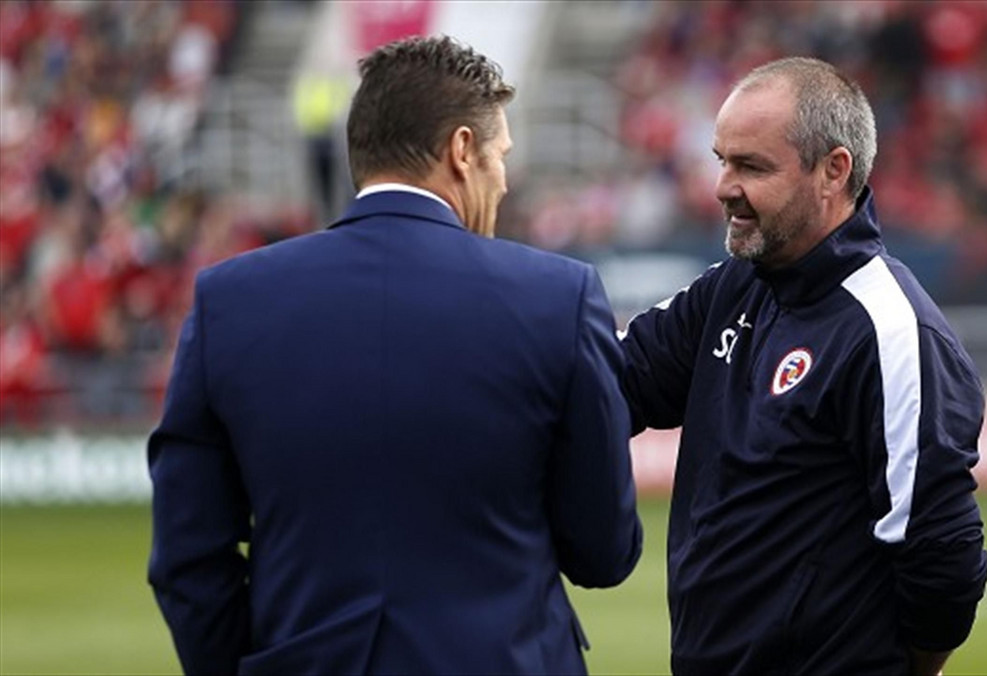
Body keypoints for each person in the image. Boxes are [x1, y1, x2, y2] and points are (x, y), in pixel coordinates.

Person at [148, 36, 642, 675]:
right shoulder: (559, 297)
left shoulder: (228, 302)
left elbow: (188, 559)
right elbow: (603, 551)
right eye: (500, 155)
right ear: (461, 150)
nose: (506, 178)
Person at [620, 57, 987, 675]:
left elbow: (941, 549)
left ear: (833, 171)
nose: (723, 187)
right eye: (722, 160)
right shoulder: (731, 289)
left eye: (751, 166)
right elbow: (614, 381)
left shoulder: (890, 331)